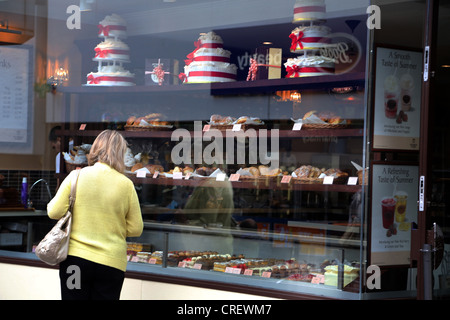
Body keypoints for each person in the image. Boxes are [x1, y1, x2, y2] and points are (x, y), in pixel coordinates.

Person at [47, 130, 143, 300]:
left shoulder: (76, 176)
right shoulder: (127, 185)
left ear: (95, 150)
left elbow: (53, 212)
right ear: (121, 153)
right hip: (111, 264)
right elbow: (136, 228)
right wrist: (112, 225)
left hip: (76, 261)